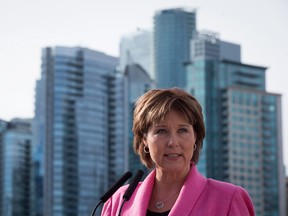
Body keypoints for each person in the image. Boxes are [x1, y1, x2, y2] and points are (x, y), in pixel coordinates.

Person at [101, 88, 255, 216]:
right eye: (161, 131)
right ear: (144, 140)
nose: (173, 142)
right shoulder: (119, 201)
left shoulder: (228, 199)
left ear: (195, 137)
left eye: (182, 130)